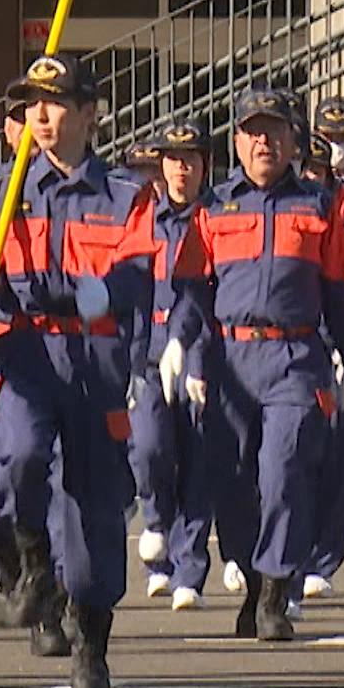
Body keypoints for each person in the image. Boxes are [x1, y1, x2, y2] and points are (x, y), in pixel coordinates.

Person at [0, 54, 152, 688]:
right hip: (24, 348)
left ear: (90, 114)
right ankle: (32, 563)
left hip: (92, 360)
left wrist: (105, 290)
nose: (40, 115)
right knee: (17, 455)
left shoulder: (125, 195)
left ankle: (90, 632)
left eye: (56, 102)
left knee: (95, 507)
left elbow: (140, 267)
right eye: (31, 102)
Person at [167, 86, 344, 641]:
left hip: (294, 357)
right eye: (252, 132)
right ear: (236, 142)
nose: (263, 142)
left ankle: (277, 589)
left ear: (292, 140)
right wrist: (181, 344)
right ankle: (253, 580)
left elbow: (339, 292)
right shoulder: (213, 209)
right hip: (229, 357)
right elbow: (193, 290)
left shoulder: (317, 207)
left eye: (274, 131)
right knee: (229, 479)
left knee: (282, 471)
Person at [134, 121, 216, 610]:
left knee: (199, 465)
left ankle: (188, 572)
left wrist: (201, 358)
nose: (181, 167)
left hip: (203, 350)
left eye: (190, 157)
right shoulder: (143, 218)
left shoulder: (215, 217)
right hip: (150, 352)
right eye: (172, 158)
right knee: (149, 449)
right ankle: (156, 525)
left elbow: (211, 296)